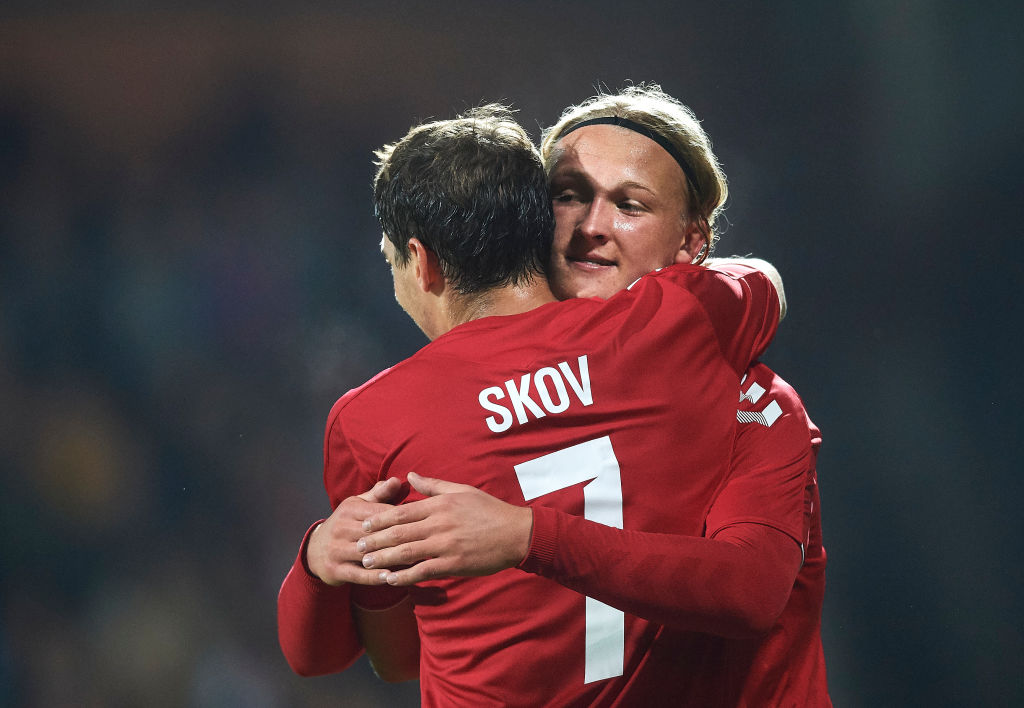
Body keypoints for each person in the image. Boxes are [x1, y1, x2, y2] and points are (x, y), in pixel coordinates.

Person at [277, 102, 788, 706]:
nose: (594, 225)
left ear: (422, 262)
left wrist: (315, 557)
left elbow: (387, 658)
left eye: (629, 205)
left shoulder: (372, 419)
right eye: (571, 197)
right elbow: (763, 284)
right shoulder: (679, 325)